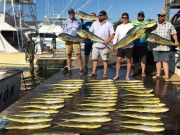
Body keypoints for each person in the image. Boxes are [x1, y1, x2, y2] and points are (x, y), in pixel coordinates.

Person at [152, 10, 179, 81]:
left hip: (165, 46)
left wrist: (176, 41)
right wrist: (152, 40)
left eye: (162, 16)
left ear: (164, 16)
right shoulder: (154, 24)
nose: (160, 17)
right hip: (155, 47)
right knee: (157, 61)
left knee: (165, 61)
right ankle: (158, 74)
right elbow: (151, 34)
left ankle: (166, 76)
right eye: (159, 15)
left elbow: (174, 33)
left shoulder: (169, 24)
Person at [89, 10, 115, 78]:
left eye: (101, 15)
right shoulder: (94, 23)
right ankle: (94, 72)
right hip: (95, 45)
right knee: (94, 59)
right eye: (99, 15)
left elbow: (112, 34)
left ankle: (105, 73)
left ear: (105, 16)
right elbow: (90, 33)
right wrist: (86, 35)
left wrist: (108, 40)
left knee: (105, 60)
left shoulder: (109, 24)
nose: (99, 16)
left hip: (105, 45)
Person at [62, 8, 84, 76]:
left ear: (74, 14)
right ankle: (69, 70)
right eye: (69, 13)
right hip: (68, 40)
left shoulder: (78, 22)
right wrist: (64, 38)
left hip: (76, 40)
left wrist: (82, 37)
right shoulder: (65, 22)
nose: (71, 14)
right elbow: (63, 31)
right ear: (68, 14)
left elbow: (81, 31)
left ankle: (81, 69)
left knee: (78, 55)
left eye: (72, 13)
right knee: (68, 55)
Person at [113, 13, 134, 80]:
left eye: (126, 18)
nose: (125, 19)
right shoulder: (118, 26)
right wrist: (114, 45)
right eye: (123, 17)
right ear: (121, 18)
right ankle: (117, 75)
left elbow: (134, 36)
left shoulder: (131, 26)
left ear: (128, 18)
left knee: (128, 61)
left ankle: (127, 76)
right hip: (120, 46)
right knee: (118, 60)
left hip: (129, 46)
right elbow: (116, 37)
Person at [131, 11, 148, 77]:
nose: (140, 16)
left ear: (144, 16)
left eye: (142, 15)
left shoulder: (146, 23)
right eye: (139, 15)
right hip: (135, 44)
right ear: (137, 16)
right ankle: (135, 71)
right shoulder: (133, 22)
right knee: (135, 60)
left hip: (144, 44)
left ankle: (143, 72)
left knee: (143, 60)